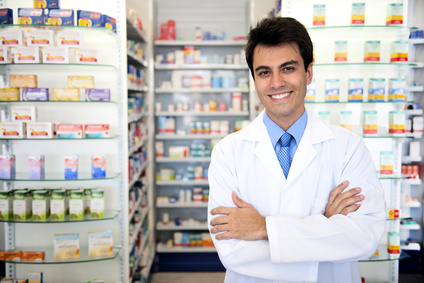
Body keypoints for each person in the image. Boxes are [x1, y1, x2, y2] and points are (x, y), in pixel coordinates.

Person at [207, 17, 386, 283]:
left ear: (308, 72)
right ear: (254, 79)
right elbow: (233, 251)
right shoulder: (228, 153)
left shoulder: (348, 148)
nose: (276, 83)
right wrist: (325, 226)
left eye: (288, 68)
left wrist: (263, 228)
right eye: (264, 72)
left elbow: (364, 236)